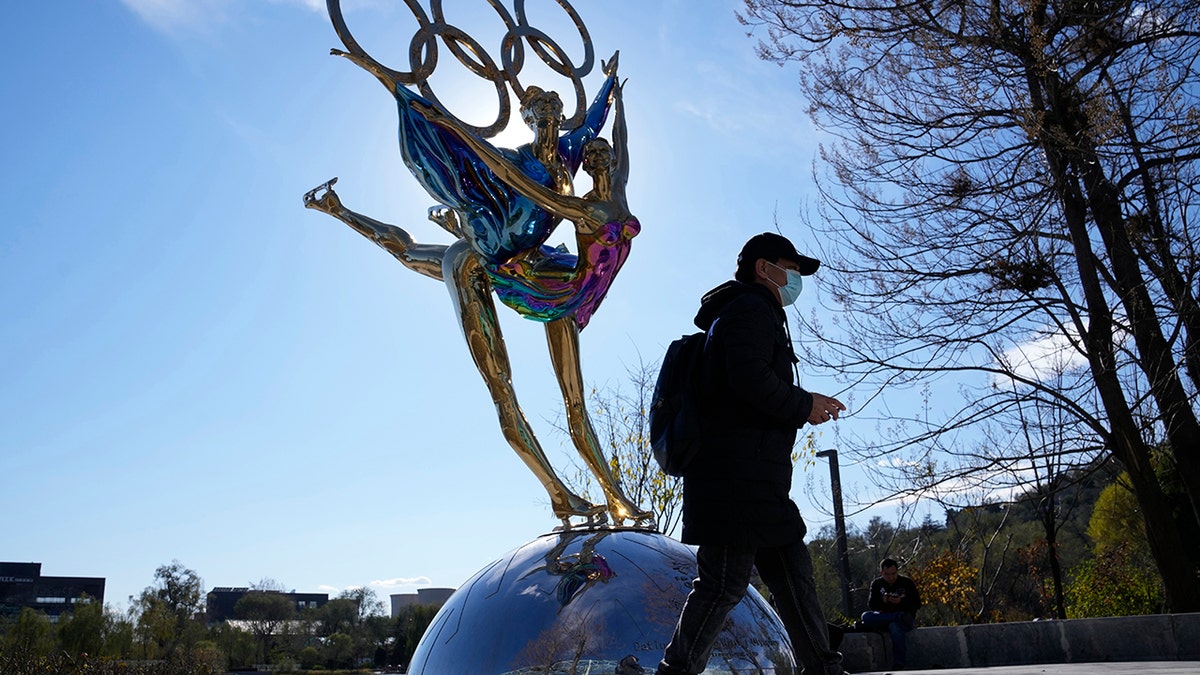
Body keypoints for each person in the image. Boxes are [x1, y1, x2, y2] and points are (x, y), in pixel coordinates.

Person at [655, 232, 849, 675]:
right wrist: (805, 405)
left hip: (756, 480)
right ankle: (675, 672)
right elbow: (749, 383)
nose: (797, 278)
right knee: (722, 584)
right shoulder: (749, 311)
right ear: (765, 268)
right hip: (734, 481)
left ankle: (824, 668)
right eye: (793, 268)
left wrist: (802, 401)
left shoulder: (748, 314)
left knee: (793, 581)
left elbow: (750, 383)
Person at [859, 558, 921, 669]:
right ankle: (896, 616)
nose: (891, 577)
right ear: (881, 572)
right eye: (887, 574)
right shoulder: (877, 584)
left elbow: (917, 604)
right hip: (885, 617)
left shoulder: (907, 583)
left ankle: (899, 664)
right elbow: (872, 605)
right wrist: (883, 602)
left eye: (893, 574)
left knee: (895, 627)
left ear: (897, 571)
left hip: (905, 620)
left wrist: (901, 602)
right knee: (865, 616)